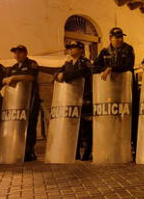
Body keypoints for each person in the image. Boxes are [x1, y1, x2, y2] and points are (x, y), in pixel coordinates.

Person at [93, 27, 138, 157]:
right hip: (109, 92)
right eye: (116, 37)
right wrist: (106, 68)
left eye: (121, 37)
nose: (119, 40)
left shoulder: (128, 49)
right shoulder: (104, 51)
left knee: (129, 118)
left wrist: (111, 68)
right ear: (110, 38)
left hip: (126, 90)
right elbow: (94, 67)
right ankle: (112, 145)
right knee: (112, 119)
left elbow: (128, 65)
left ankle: (131, 146)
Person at [53, 41, 93, 160]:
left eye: (73, 47)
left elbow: (82, 73)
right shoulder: (68, 63)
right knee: (71, 127)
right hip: (70, 99)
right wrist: (59, 75)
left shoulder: (85, 62)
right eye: (69, 48)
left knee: (85, 128)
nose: (70, 50)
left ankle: (87, 152)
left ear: (81, 49)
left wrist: (65, 76)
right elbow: (56, 74)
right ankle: (74, 152)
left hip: (84, 98)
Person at [3, 45, 40, 161]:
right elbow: (4, 79)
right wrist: (7, 79)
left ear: (25, 53)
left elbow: (31, 77)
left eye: (19, 52)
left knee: (30, 125)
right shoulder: (13, 67)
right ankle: (17, 149)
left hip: (30, 100)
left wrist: (15, 77)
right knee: (17, 126)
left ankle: (29, 151)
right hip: (16, 102)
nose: (17, 55)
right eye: (15, 53)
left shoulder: (31, 64)